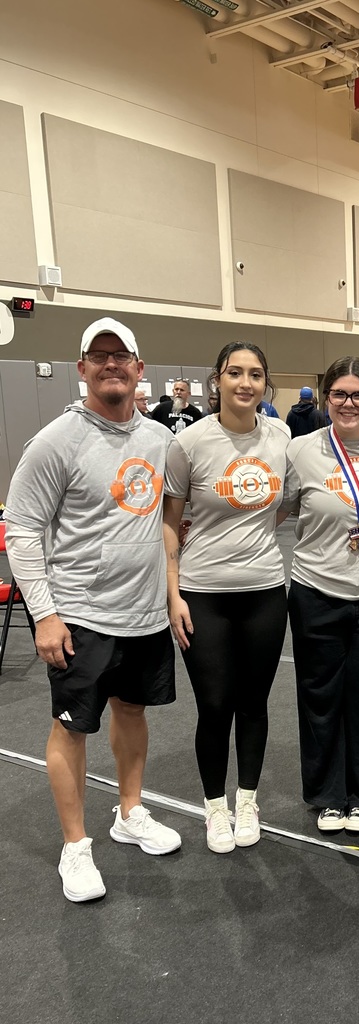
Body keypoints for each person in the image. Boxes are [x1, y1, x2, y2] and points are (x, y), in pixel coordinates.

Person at [3, 317, 181, 903]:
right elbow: (22, 529)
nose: (111, 365)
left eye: (121, 357)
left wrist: (170, 593)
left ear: (139, 368)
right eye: (98, 357)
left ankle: (129, 813)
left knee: (133, 712)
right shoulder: (56, 440)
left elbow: (163, 522)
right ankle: (75, 847)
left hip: (144, 614)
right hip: (79, 613)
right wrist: (46, 614)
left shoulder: (157, 439)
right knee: (73, 726)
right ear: (81, 369)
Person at [162, 343, 290, 854]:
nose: (245, 383)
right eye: (234, 373)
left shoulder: (280, 436)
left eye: (255, 374)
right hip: (203, 593)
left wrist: (248, 538)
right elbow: (169, 523)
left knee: (254, 703)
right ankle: (215, 808)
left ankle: (247, 799)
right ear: (216, 380)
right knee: (215, 705)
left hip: (263, 590)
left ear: (265, 383)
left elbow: (280, 507)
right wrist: (172, 594)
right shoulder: (189, 443)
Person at [285, 357, 359, 834]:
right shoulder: (300, 451)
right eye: (339, 394)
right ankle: (327, 794)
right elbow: (279, 509)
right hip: (316, 588)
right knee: (319, 694)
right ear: (325, 398)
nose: (349, 403)